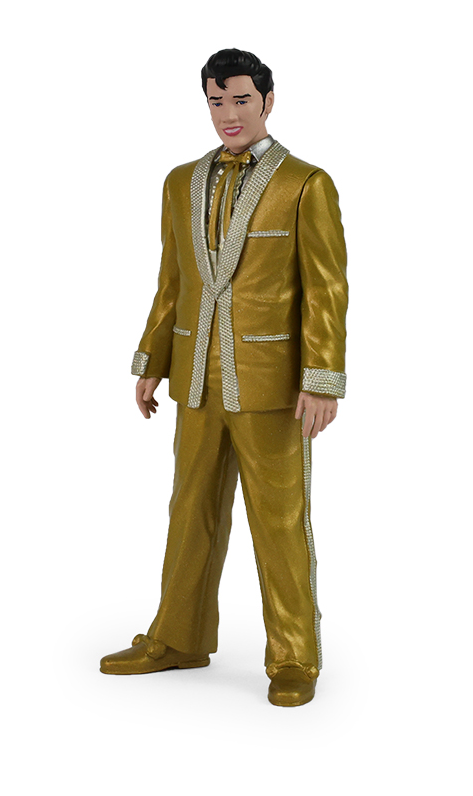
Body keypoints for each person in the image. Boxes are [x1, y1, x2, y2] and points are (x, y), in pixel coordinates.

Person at [99, 48, 348, 707]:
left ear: (268, 100)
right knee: (190, 512)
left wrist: (322, 378)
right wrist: (153, 360)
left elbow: (326, 288)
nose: (228, 113)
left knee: (279, 521)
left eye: (240, 99)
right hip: (196, 378)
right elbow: (172, 279)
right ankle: (177, 636)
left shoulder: (305, 183)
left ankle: (294, 656)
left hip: (273, 384)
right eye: (216, 101)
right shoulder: (180, 182)